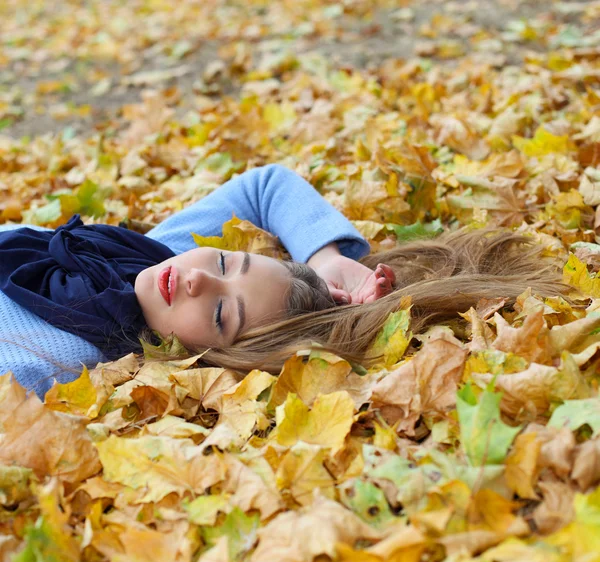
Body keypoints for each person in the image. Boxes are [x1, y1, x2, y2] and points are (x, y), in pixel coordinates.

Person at [0, 165, 566, 399]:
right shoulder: (162, 257)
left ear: (206, 360)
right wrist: (325, 259)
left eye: (223, 316)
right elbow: (265, 184)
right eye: (226, 264)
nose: (200, 282)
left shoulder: (66, 359)